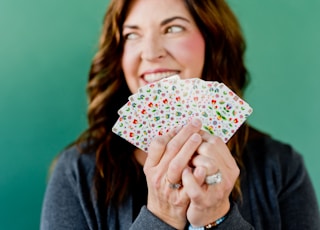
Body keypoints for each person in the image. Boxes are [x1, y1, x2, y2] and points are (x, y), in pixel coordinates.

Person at [40, 0, 320, 229]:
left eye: (173, 28)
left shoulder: (281, 168)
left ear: (212, 39)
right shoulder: (77, 173)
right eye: (132, 34)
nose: (150, 53)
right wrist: (161, 216)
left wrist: (219, 218)